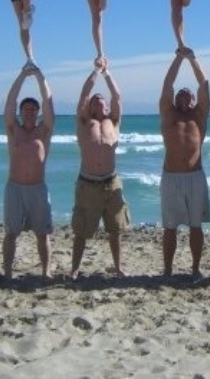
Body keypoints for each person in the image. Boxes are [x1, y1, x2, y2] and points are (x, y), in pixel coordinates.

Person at [70, 65, 130, 279]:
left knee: (115, 230)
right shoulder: (85, 122)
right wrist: (95, 73)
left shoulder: (113, 122)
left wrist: (107, 73)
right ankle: (75, 269)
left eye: (100, 99)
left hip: (111, 182)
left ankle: (118, 266)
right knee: (81, 232)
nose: (98, 100)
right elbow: (84, 94)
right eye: (94, 100)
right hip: (88, 184)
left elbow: (117, 95)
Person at [158, 48, 210, 280]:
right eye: (182, 94)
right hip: (171, 177)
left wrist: (193, 60)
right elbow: (168, 85)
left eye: (190, 95)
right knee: (170, 226)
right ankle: (168, 269)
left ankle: (195, 268)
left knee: (195, 226)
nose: (186, 97)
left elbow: (204, 86)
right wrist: (178, 59)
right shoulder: (168, 114)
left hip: (195, 176)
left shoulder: (199, 116)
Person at [2, 65, 55, 282]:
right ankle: (7, 272)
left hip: (37, 189)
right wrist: (22, 76)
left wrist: (41, 78)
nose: (31, 112)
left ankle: (46, 270)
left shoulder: (43, 131)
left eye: (34, 109)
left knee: (42, 234)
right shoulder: (13, 130)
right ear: (21, 112)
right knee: (10, 234)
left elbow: (49, 103)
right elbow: (10, 101)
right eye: (27, 109)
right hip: (14, 188)